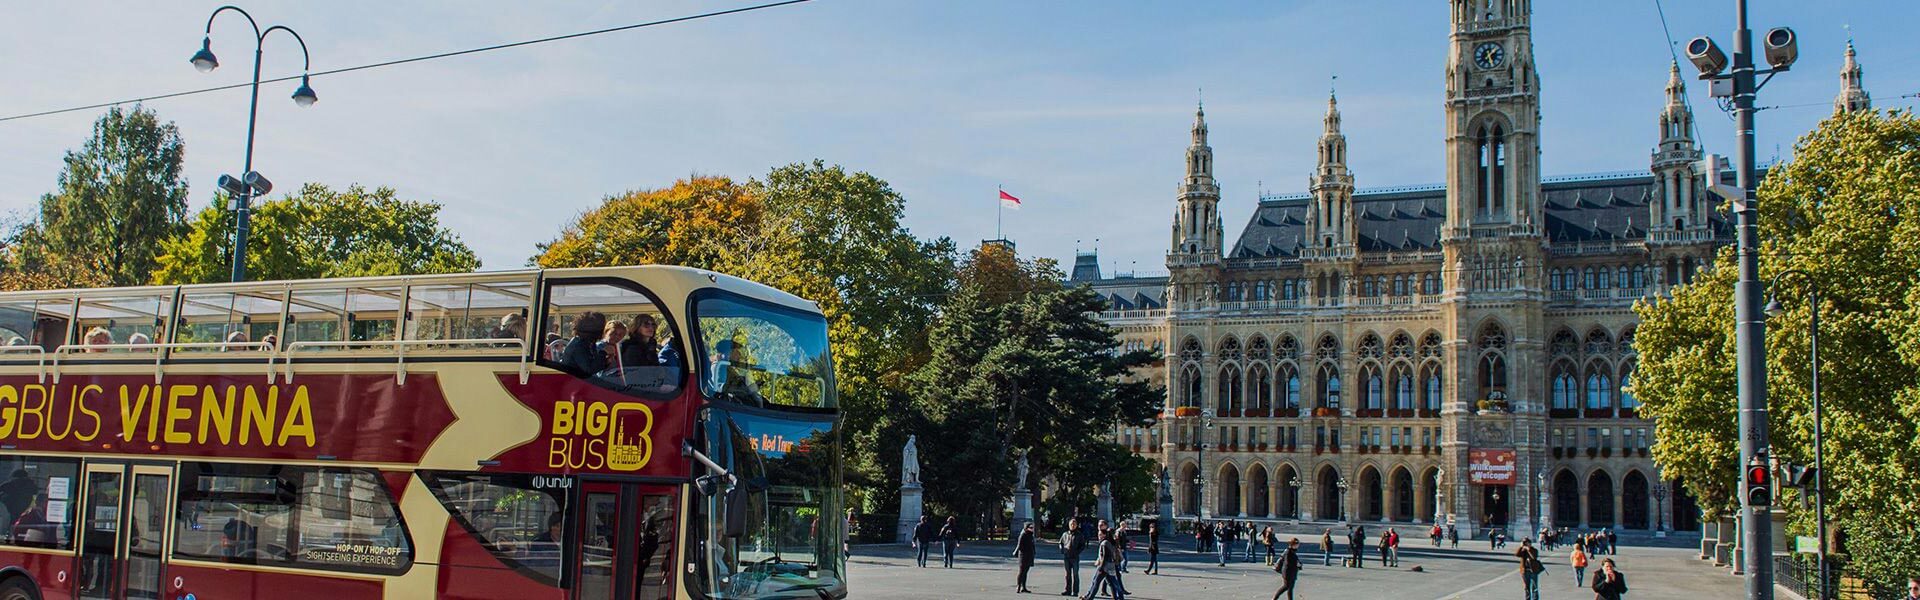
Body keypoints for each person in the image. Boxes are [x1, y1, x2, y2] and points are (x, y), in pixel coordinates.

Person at [1081, 528, 1125, 600]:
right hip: (1111, 565)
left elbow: (1104, 556)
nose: (1099, 536)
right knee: (1113, 583)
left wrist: (1101, 567)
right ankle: (1119, 597)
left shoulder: (1104, 543)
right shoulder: (1113, 542)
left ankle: (1090, 597)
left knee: (1096, 582)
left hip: (1105, 566)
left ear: (1105, 535)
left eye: (1100, 534)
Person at [1061, 517, 1084, 597]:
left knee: (1075, 574)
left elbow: (1082, 545)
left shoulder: (1079, 535)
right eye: (1071, 524)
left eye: (1074, 524)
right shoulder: (1065, 534)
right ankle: (1068, 590)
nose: (1073, 525)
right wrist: (1062, 550)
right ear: (1069, 525)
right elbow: (1061, 543)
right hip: (1067, 557)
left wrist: (1077, 552)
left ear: (1076, 525)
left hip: (1075, 557)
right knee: (1067, 574)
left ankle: (1075, 591)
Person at [1013, 522, 1036, 593]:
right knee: (1022, 571)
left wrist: (1033, 552)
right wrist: (1024, 551)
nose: (1032, 529)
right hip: (1023, 555)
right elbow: (1020, 546)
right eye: (1030, 528)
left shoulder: (1031, 535)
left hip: (1030, 555)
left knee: (1025, 572)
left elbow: (1032, 545)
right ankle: (1018, 586)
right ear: (1026, 528)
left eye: (1033, 528)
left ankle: (1024, 587)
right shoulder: (1023, 535)